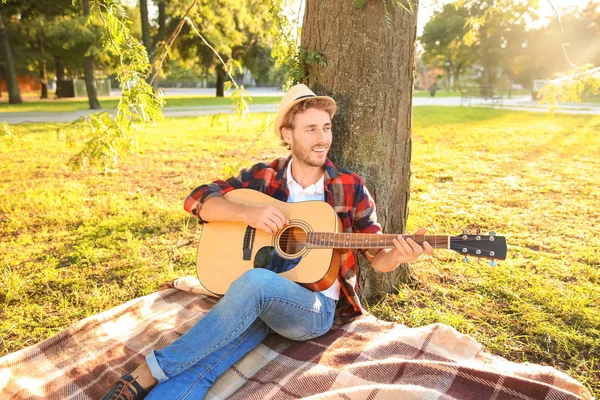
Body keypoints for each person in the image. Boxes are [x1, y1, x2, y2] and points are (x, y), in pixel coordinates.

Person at [101, 84, 434, 400]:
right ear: (287, 135)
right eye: (311, 129)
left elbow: (378, 257)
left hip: (313, 310)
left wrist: (400, 255)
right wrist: (247, 214)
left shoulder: (349, 187)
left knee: (257, 281)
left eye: (327, 127)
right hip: (257, 301)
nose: (322, 139)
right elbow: (197, 199)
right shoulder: (263, 178)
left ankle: (151, 369)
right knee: (206, 361)